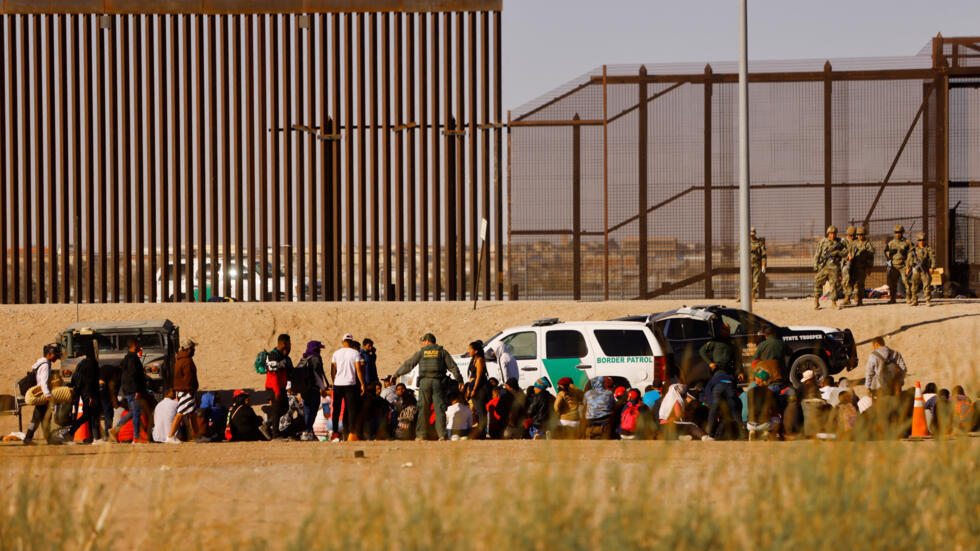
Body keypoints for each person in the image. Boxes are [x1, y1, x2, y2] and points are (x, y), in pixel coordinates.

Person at [392, 333, 463, 441]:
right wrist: (460, 380)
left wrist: (396, 374)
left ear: (427, 341)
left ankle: (421, 435)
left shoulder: (422, 352)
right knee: (439, 408)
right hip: (438, 382)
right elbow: (453, 367)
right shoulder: (442, 352)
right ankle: (442, 435)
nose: (423, 344)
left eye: (423, 342)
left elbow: (409, 364)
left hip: (424, 382)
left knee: (423, 408)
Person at [23, 344, 64, 445]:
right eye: (55, 354)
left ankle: (42, 437)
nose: (56, 357)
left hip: (41, 393)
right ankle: (31, 438)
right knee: (41, 417)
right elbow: (43, 383)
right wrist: (48, 396)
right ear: (49, 354)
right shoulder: (45, 365)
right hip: (43, 394)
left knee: (41, 417)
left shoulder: (42, 363)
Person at [330, 335, 366, 441]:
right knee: (351, 410)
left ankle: (335, 432)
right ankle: (351, 433)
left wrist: (334, 381)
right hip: (350, 384)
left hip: (338, 384)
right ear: (351, 342)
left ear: (343, 342)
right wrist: (362, 383)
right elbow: (358, 369)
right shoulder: (355, 353)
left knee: (336, 409)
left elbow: (333, 369)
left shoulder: (336, 353)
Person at [113, 339, 148, 444]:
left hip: (128, 389)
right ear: (134, 345)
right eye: (138, 344)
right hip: (133, 390)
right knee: (136, 413)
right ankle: (136, 437)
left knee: (134, 412)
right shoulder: (133, 359)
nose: (140, 346)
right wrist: (137, 390)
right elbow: (133, 375)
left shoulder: (127, 358)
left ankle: (116, 429)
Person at [292, 340, 329, 440]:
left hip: (304, 389)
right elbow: (317, 375)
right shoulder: (316, 358)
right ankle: (308, 430)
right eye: (319, 349)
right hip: (313, 389)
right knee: (313, 411)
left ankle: (308, 431)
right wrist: (322, 388)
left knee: (307, 411)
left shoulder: (304, 358)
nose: (320, 350)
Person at [68, 339, 102, 443]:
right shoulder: (92, 364)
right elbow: (89, 381)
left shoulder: (81, 363)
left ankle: (88, 437)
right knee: (92, 415)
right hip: (90, 393)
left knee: (87, 415)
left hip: (82, 392)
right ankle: (94, 437)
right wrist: (91, 396)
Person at [701, 357, 742, 440]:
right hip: (729, 384)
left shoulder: (714, 378)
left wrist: (711, 405)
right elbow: (734, 392)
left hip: (719, 387)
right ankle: (742, 433)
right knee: (735, 412)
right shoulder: (730, 377)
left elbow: (708, 391)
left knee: (713, 412)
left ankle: (710, 434)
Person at [169, 338, 200, 444]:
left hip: (182, 390)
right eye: (193, 348)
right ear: (189, 349)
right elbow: (189, 378)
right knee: (180, 413)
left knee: (192, 414)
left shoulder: (179, 359)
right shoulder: (187, 361)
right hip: (187, 391)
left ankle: (198, 437)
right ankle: (170, 436)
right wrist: (191, 390)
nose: (194, 350)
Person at [264, 334, 293, 439]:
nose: (290, 345)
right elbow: (273, 376)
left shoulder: (282, 356)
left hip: (281, 387)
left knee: (285, 407)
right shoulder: (273, 356)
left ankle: (267, 424)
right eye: (289, 343)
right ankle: (275, 434)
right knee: (277, 409)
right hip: (273, 387)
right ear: (283, 343)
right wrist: (277, 391)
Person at [812, 225, 846, 310]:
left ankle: (834, 303)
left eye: (834, 233)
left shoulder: (840, 242)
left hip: (834, 267)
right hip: (824, 266)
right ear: (828, 233)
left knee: (834, 285)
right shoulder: (823, 242)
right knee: (818, 282)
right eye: (831, 233)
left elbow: (846, 253)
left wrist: (838, 252)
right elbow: (817, 253)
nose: (832, 235)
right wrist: (815, 264)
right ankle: (816, 301)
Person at [466, 341, 490, 438]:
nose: (469, 351)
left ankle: (482, 432)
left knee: (481, 411)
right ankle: (480, 431)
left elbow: (479, 377)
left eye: (470, 349)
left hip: (480, 388)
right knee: (476, 410)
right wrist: (469, 387)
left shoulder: (480, 360)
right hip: (473, 386)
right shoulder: (473, 359)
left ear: (476, 351)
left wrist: (474, 389)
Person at [751, 326, 789, 390]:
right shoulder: (781, 343)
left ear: (765, 335)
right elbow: (789, 353)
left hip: (767, 379)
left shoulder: (762, 345)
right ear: (774, 334)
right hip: (781, 377)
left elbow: (754, 361)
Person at [746, 371, 779, 441]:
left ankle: (752, 431)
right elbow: (773, 410)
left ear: (760, 380)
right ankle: (766, 432)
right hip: (764, 424)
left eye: (757, 377)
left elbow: (749, 407)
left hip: (750, 424)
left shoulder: (750, 391)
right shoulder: (770, 392)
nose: (755, 377)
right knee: (777, 420)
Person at [846, 226, 875, 306]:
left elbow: (871, 257)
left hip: (862, 267)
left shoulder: (867, 244)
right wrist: (849, 257)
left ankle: (859, 300)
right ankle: (847, 298)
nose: (860, 236)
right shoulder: (854, 243)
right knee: (850, 282)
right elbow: (849, 251)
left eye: (861, 234)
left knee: (860, 284)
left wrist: (869, 268)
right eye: (858, 235)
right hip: (853, 266)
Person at [884, 225, 912, 304]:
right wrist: (890, 253)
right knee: (892, 283)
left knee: (906, 281)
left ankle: (908, 297)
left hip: (903, 265)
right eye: (896, 232)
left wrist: (907, 256)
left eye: (899, 232)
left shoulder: (907, 242)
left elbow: (912, 252)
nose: (897, 234)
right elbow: (886, 251)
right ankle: (892, 298)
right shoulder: (891, 243)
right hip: (894, 265)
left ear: (902, 232)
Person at [907, 233, 937, 307]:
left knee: (927, 284)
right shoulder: (914, 249)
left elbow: (933, 258)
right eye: (920, 240)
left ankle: (927, 300)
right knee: (914, 285)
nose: (922, 242)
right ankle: (914, 300)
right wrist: (908, 267)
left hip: (925, 269)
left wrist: (932, 267)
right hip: (915, 269)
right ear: (918, 241)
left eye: (923, 240)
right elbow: (909, 259)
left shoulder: (928, 249)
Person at [839, 226, 857, 305]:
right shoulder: (843, 242)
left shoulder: (858, 241)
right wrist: (847, 256)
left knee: (856, 281)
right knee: (846, 281)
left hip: (857, 264)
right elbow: (840, 252)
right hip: (846, 263)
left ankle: (857, 296)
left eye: (853, 235)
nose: (852, 237)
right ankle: (847, 298)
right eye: (850, 235)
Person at [750, 227, 767, 300]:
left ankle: (752, 296)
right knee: (745, 280)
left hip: (756, 263)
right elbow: (740, 252)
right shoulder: (745, 242)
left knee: (755, 281)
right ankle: (741, 296)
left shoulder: (759, 243)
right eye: (751, 234)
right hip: (747, 264)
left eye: (753, 234)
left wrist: (763, 265)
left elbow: (763, 255)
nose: (752, 236)